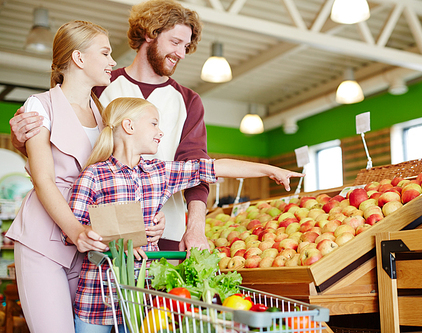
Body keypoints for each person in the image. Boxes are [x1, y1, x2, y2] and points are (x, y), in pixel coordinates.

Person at [69, 97, 304, 331]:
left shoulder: (159, 172)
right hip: (97, 298)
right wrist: (104, 236)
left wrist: (269, 169)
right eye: (154, 123)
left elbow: (212, 167)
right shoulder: (92, 176)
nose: (161, 132)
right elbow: (72, 233)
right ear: (129, 126)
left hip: (142, 299)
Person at [10, 0, 214, 256]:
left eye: (186, 46)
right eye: (175, 43)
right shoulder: (98, 85)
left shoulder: (188, 101)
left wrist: (195, 227)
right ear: (150, 34)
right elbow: (65, 152)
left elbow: (197, 167)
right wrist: (21, 142)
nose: (182, 54)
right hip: (107, 231)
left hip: (168, 230)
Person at [5, 21, 165, 333]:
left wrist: (148, 220)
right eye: (105, 53)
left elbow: (117, 179)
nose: (112, 61)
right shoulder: (40, 106)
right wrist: (77, 231)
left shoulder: (103, 111)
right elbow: (43, 180)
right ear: (79, 58)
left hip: (93, 245)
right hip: (47, 240)